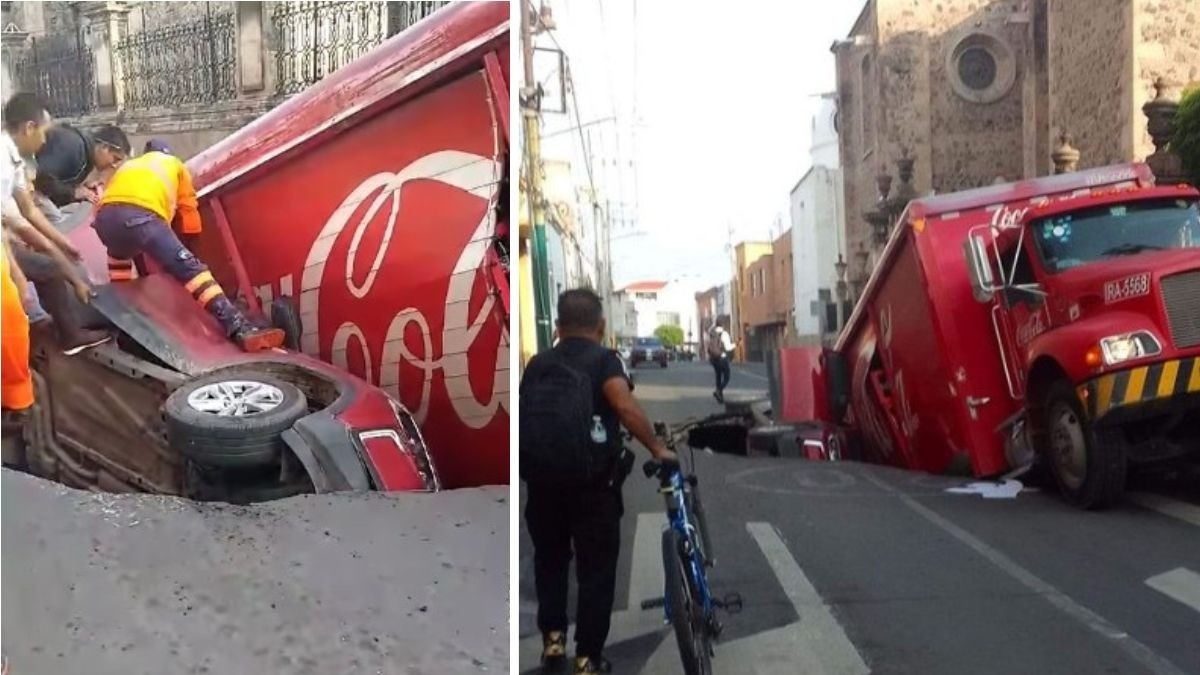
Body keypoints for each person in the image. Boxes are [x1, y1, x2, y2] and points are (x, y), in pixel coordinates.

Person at [520, 288, 677, 675]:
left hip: (542, 484)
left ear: (557, 326)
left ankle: (553, 641)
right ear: (601, 326)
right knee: (596, 571)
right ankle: (588, 656)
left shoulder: (538, 364)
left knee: (550, 562)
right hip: (592, 488)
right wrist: (657, 447)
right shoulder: (605, 361)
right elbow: (623, 405)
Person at [93, 144, 284, 351]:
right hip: (142, 217)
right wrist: (187, 247)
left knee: (120, 267)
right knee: (193, 272)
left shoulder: (129, 166)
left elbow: (108, 203)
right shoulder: (175, 165)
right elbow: (188, 210)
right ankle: (240, 327)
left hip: (105, 221)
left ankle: (123, 325)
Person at [2, 93, 109, 356]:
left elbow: (28, 212)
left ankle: (64, 335)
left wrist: (63, 245)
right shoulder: (2, 163)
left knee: (49, 266)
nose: (46, 140)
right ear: (29, 128)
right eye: (44, 132)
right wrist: (16, 273)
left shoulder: (14, 161)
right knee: (18, 290)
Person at [33, 121, 129, 207]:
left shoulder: (86, 154)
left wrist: (82, 186)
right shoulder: (74, 145)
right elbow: (42, 177)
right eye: (115, 159)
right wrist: (73, 192)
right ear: (104, 147)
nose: (114, 165)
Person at [707, 316, 735, 403]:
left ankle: (720, 397)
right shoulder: (724, 333)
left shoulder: (712, 333)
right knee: (727, 376)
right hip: (722, 357)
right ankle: (719, 391)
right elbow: (728, 348)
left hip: (713, 358)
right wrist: (736, 344)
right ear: (723, 324)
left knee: (718, 376)